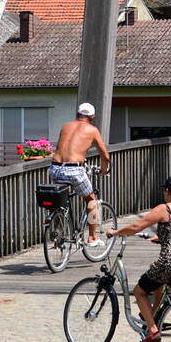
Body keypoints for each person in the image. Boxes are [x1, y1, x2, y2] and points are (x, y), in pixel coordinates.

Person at [108, 175, 171, 342]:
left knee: (139, 291)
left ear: (167, 191)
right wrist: (161, 238)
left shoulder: (164, 209)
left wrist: (116, 232)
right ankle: (154, 314)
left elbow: (136, 227)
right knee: (156, 273)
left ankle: (152, 330)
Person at [49, 103, 111, 248]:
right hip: (74, 170)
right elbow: (104, 155)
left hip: (55, 168)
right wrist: (104, 169)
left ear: (77, 115)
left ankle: (58, 229)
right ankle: (92, 237)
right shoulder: (92, 129)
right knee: (90, 200)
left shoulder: (65, 126)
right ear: (93, 117)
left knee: (62, 199)